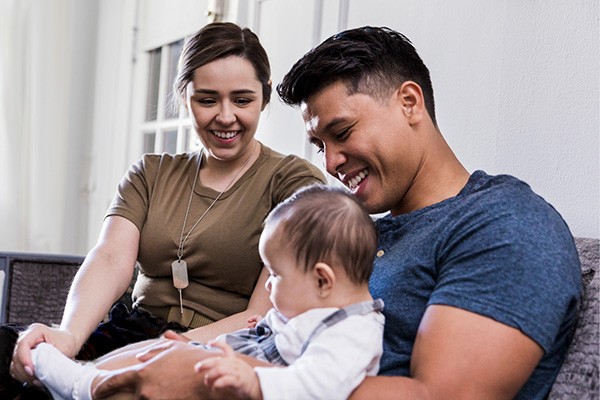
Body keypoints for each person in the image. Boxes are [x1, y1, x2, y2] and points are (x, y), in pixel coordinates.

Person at [93, 25, 582, 400]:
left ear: (409, 102)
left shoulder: (503, 223)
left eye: (342, 132)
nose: (329, 162)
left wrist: (222, 381)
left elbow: (440, 396)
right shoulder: (357, 235)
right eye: (319, 144)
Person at [1, 21, 325, 398]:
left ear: (264, 96)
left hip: (218, 349)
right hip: (132, 332)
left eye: (242, 100)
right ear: (184, 96)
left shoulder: (294, 183)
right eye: (207, 100)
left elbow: (264, 316)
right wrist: (69, 337)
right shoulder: (151, 172)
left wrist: (160, 352)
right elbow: (109, 258)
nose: (225, 116)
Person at [29, 184, 384, 400]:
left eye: (275, 276)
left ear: (323, 280)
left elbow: (321, 387)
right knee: (156, 351)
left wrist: (254, 381)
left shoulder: (353, 333)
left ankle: (81, 386)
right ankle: (82, 375)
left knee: (148, 375)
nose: (270, 285)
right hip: (233, 356)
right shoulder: (320, 308)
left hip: (241, 383)